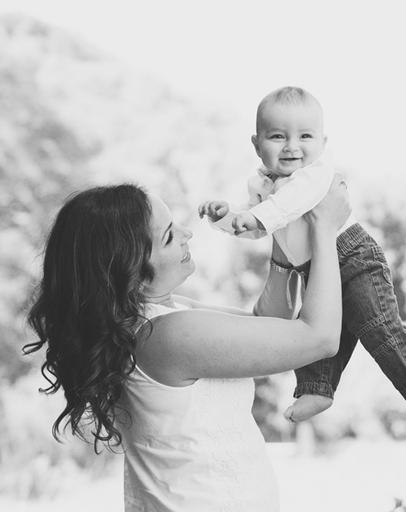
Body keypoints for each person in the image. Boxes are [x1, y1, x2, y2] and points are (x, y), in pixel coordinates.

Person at [25, 180, 351, 512]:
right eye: (169, 236)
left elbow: (268, 324)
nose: (187, 234)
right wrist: (324, 228)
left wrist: (280, 224)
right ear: (130, 272)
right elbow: (318, 338)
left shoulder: (157, 319)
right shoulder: (166, 336)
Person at [198, 86, 406, 423]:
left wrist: (257, 216)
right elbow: (258, 226)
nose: (292, 146)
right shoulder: (261, 186)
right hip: (314, 269)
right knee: (315, 331)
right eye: (278, 137)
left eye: (305, 136)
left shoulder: (314, 175)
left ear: (323, 144)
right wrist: (227, 215)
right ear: (257, 144)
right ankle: (317, 389)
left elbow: (289, 204)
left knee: (375, 324)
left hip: (352, 256)